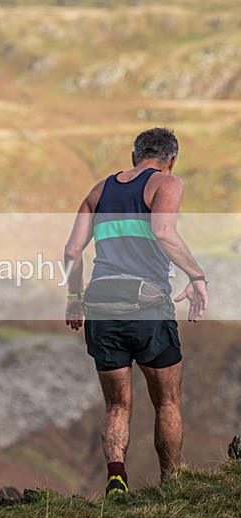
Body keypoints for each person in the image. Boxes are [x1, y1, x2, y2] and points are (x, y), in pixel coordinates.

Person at [63, 127, 208, 495]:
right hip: (147, 303)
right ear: (171, 160)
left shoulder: (98, 191)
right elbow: (163, 231)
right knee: (168, 401)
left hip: (100, 303)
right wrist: (197, 275)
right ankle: (171, 485)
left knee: (117, 405)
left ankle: (116, 477)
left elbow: (71, 252)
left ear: (134, 156)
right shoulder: (166, 183)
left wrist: (74, 297)